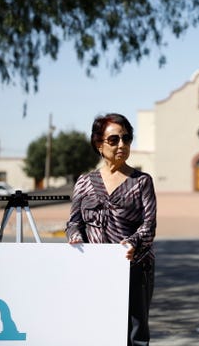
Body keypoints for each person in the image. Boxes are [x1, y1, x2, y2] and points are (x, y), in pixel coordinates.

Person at [65, 113, 157, 346]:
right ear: (99, 144)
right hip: (95, 268)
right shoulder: (85, 182)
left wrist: (133, 243)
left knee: (135, 336)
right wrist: (75, 237)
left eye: (126, 139)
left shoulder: (141, 181)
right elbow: (74, 221)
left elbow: (149, 225)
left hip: (134, 268)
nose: (122, 145)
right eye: (114, 140)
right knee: (98, 330)